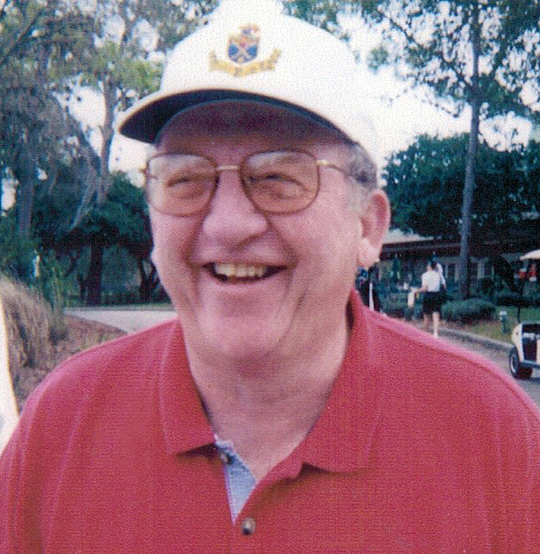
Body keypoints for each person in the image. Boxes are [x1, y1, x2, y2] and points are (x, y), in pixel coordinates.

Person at [2, 1, 540, 551]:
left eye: (281, 177)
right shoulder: (61, 428)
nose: (229, 224)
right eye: (186, 179)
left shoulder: (497, 441)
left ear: (368, 227)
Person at [419, 259, 445, 338]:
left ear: (429, 266)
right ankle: (435, 333)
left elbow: (424, 288)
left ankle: (426, 333)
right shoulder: (438, 274)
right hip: (436, 295)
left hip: (428, 295)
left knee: (426, 315)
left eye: (427, 265)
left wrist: (416, 291)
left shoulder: (425, 275)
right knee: (436, 314)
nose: (427, 266)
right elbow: (444, 285)